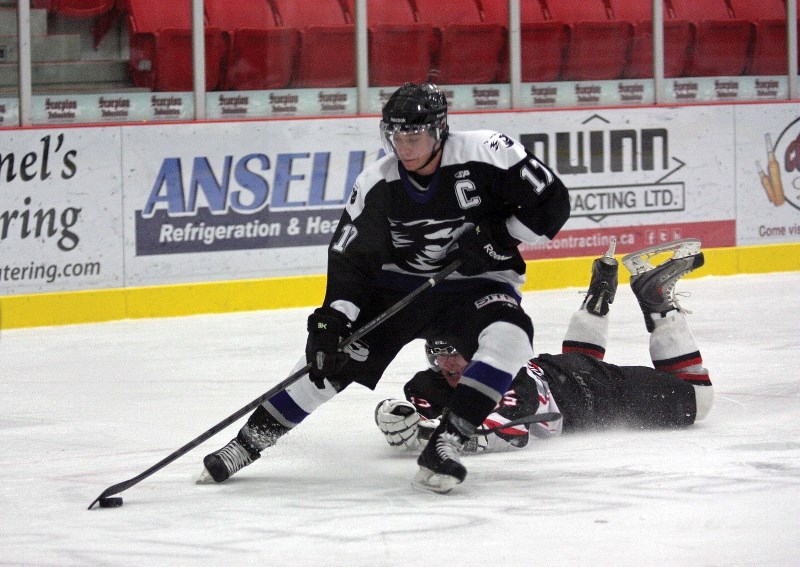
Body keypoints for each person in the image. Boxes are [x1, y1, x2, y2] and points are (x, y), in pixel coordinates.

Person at [199, 82, 571, 493]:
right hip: (398, 289)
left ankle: (448, 442)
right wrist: (332, 320)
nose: (404, 147)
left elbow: (554, 203)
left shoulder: (488, 152)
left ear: (439, 131)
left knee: (512, 337)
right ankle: (244, 445)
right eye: (396, 136)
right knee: (329, 362)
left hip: (477, 283)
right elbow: (350, 262)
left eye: (414, 137)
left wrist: (499, 236)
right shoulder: (377, 183)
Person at [375, 238, 714, 453]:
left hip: (602, 393)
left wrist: (422, 436)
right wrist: (392, 414)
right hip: (564, 368)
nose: (447, 365)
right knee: (579, 359)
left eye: (456, 355)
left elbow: (509, 434)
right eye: (438, 356)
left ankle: (658, 304)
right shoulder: (427, 385)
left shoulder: (507, 383)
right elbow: (418, 414)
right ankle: (599, 292)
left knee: (698, 400)